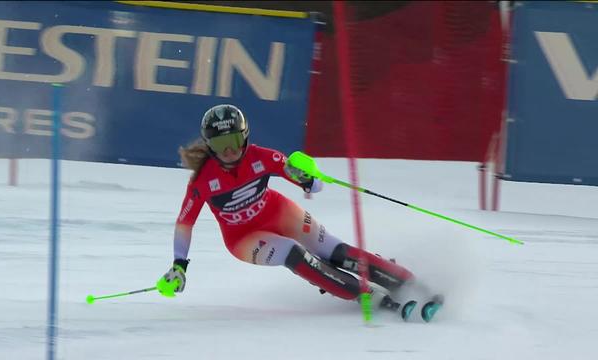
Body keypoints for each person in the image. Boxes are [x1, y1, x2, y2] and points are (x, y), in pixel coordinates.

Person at [156, 104, 442, 321]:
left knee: (337, 252)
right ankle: (365, 294)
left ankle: (408, 281)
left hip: (277, 211)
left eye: (234, 140)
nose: (229, 150)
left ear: (245, 136)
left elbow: (315, 186)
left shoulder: (263, 156)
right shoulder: (202, 181)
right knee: (293, 253)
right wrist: (179, 266)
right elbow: (184, 224)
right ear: (209, 145)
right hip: (244, 238)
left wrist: (306, 177)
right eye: (220, 144)